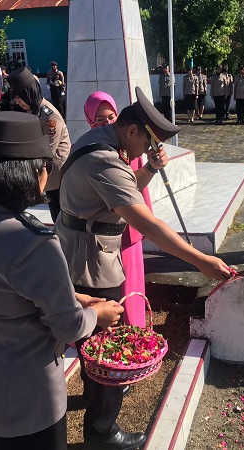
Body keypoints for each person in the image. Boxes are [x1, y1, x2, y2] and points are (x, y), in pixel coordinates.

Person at [55, 86, 233, 449]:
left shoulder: (98, 141)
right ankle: (102, 433)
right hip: (92, 264)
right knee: (107, 348)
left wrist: (149, 168)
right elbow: (148, 223)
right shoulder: (105, 159)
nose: (148, 152)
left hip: (80, 252)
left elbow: (123, 189)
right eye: (148, 144)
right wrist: (201, 260)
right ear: (133, 130)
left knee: (91, 342)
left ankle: (95, 401)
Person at [0, 111, 123, 450]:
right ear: (26, 175)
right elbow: (70, 328)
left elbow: (4, 290)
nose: (47, 173)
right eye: (43, 165)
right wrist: (96, 315)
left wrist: (77, 298)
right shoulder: (35, 242)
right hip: (25, 398)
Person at [84, 91, 152, 328]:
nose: (107, 123)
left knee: (131, 282)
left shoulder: (132, 147)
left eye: (111, 116)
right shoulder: (89, 150)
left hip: (128, 227)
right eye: (99, 120)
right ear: (89, 121)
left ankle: (134, 327)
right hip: (101, 231)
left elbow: (137, 188)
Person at [7, 66, 71, 223]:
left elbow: (46, 150)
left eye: (19, 96)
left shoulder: (50, 116)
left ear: (29, 92)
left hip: (57, 176)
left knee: (61, 217)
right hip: (46, 176)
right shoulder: (33, 111)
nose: (17, 101)